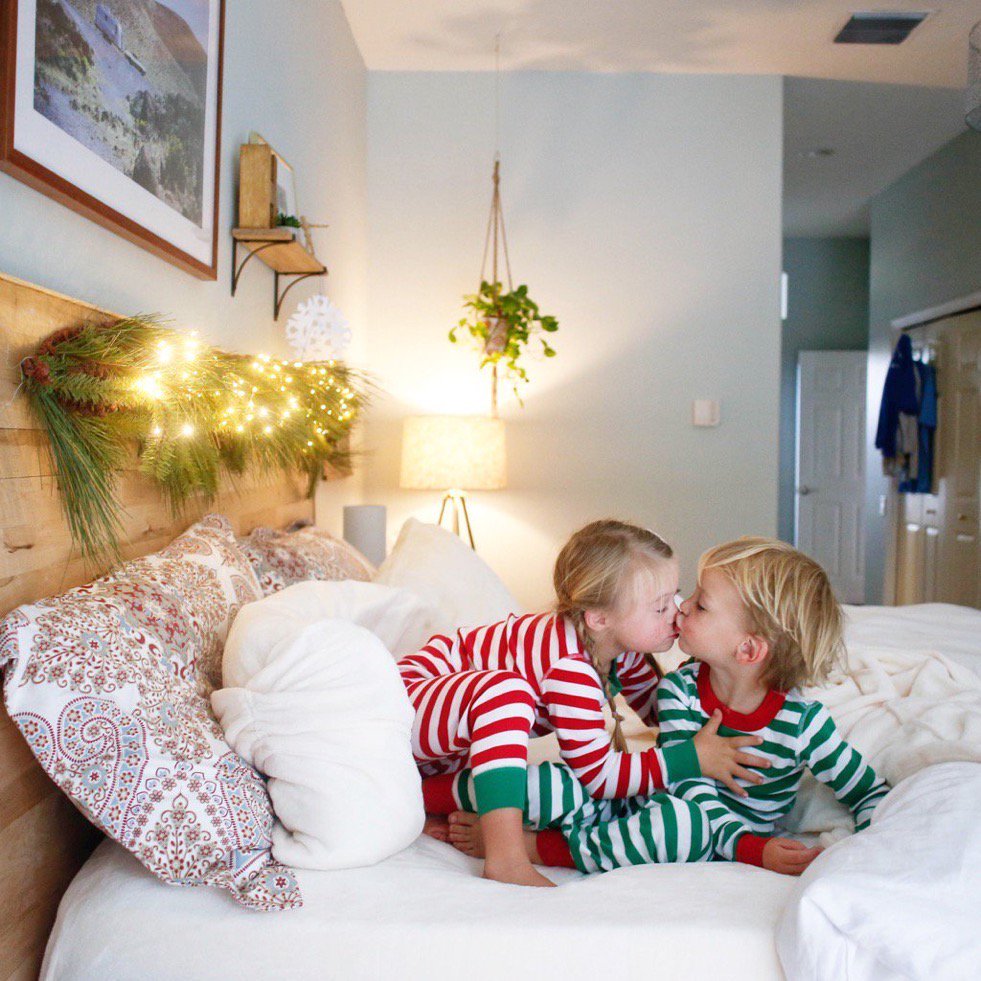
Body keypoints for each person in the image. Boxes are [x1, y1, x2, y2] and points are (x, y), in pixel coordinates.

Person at [442, 538, 890, 877]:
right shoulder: (680, 690)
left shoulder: (803, 725)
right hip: (644, 802)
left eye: (701, 605)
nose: (681, 608)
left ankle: (540, 847)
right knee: (552, 781)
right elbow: (683, 779)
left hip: (704, 831)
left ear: (748, 649)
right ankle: (431, 798)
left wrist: (875, 851)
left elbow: (869, 792)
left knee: (683, 824)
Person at [402, 520, 769, 887]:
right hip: (406, 712)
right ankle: (506, 858)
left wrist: (726, 671)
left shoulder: (619, 647)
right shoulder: (569, 667)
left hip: (449, 748)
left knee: (546, 785)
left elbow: (665, 713)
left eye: (676, 595)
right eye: (660, 608)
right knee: (506, 693)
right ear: (599, 618)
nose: (677, 613)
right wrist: (691, 758)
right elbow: (600, 777)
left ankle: (425, 799)